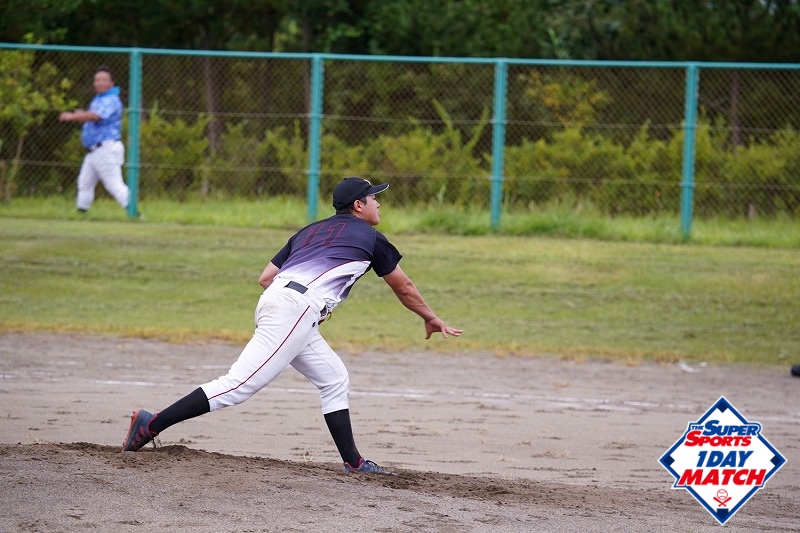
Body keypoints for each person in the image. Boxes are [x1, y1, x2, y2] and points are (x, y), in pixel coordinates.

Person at [122, 177, 463, 475]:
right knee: (239, 384)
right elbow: (404, 287)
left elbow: (265, 278)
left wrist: (299, 306)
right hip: (296, 310)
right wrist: (430, 317)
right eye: (374, 197)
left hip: (282, 303)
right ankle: (152, 424)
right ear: (359, 205)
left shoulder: (309, 231)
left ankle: (354, 462)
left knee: (334, 378)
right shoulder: (372, 238)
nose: (379, 203)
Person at [59, 66, 129, 213]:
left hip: (106, 148)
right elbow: (92, 115)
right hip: (94, 150)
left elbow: (96, 116)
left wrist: (73, 116)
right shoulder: (99, 98)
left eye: (104, 80)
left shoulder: (111, 99)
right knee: (84, 183)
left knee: (114, 184)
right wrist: (82, 114)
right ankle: (81, 213)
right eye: (97, 80)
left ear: (111, 83)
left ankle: (134, 212)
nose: (100, 83)